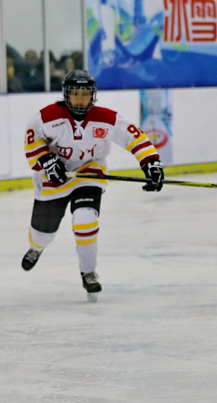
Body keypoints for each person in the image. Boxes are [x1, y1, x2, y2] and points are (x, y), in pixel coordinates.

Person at [20, 69, 164, 301]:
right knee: (42, 233)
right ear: (66, 94)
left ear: (92, 96)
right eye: (75, 94)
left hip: (89, 171)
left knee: (86, 218)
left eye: (84, 94)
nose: (79, 99)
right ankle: (36, 247)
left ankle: (88, 272)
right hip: (55, 177)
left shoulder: (106, 118)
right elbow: (32, 140)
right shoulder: (46, 117)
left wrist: (151, 163)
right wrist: (46, 160)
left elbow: (134, 137)